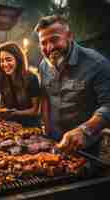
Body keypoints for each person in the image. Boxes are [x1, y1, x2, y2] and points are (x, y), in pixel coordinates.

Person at [35, 15, 110, 154]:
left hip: (86, 145)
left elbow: (108, 105)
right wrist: (46, 127)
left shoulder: (96, 63)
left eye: (54, 39)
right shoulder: (43, 66)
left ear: (69, 36)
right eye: (43, 43)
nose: (49, 47)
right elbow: (45, 96)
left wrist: (85, 130)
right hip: (54, 140)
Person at [0, 41, 41, 127]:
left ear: (18, 59)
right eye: (1, 61)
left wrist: (16, 113)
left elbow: (36, 110)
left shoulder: (31, 78)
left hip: (30, 127)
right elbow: (3, 105)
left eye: (8, 59)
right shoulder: (2, 78)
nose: (5, 64)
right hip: (10, 126)